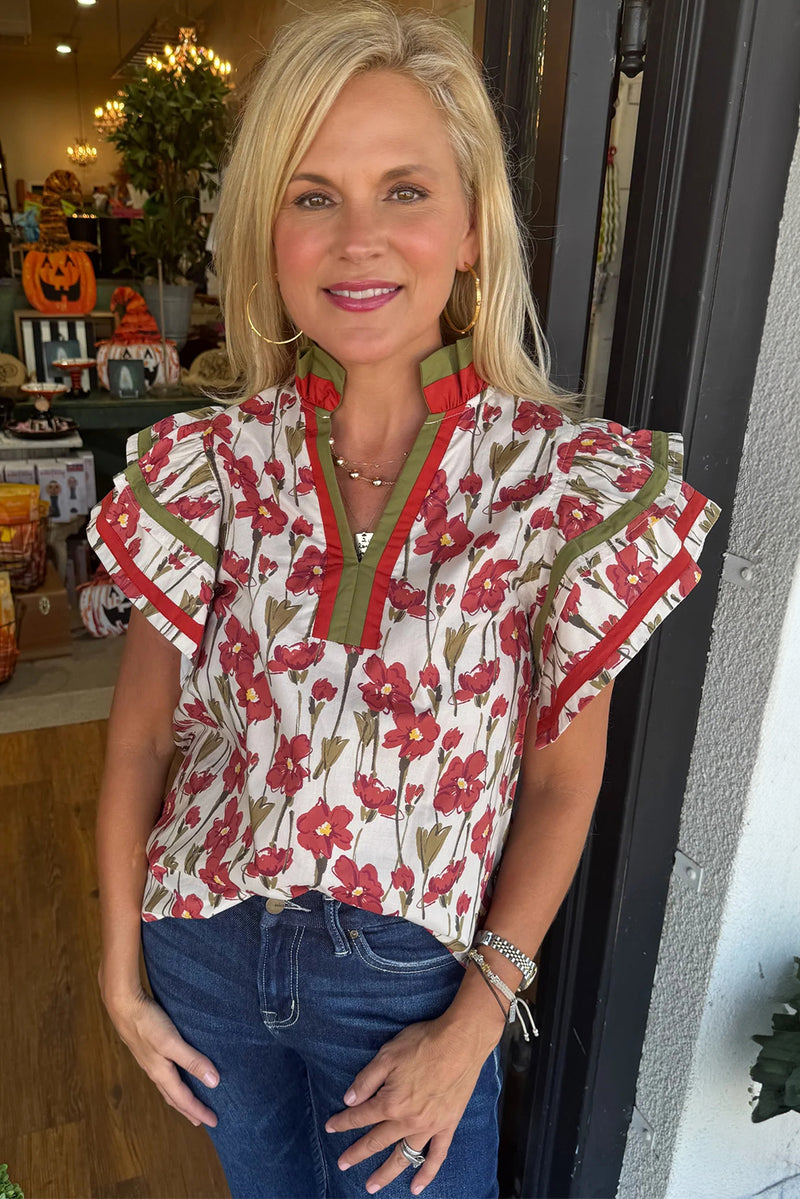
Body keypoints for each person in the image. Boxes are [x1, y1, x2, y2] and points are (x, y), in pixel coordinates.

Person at [87, 4, 721, 1198]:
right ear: (267, 232)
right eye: (312, 195)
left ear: (472, 226)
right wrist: (122, 975)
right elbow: (137, 740)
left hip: (405, 984)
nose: (357, 239)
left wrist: (478, 1016)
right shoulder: (206, 465)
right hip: (202, 948)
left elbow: (560, 780)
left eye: (404, 191)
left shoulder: (557, 485)